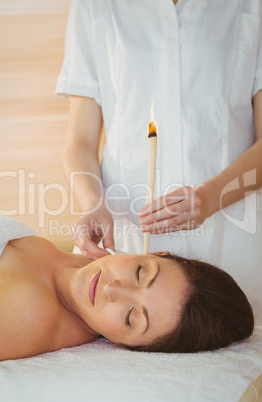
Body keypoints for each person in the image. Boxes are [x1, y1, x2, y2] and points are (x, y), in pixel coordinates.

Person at [55, 0, 262, 317]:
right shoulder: (94, 6)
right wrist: (92, 203)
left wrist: (208, 198)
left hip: (230, 239)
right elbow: (79, 142)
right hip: (126, 247)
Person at [0, 216, 254, 361]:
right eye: (139, 272)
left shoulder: (31, 312)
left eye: (130, 317)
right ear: (156, 252)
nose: (112, 289)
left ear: (126, 344)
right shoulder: (76, 261)